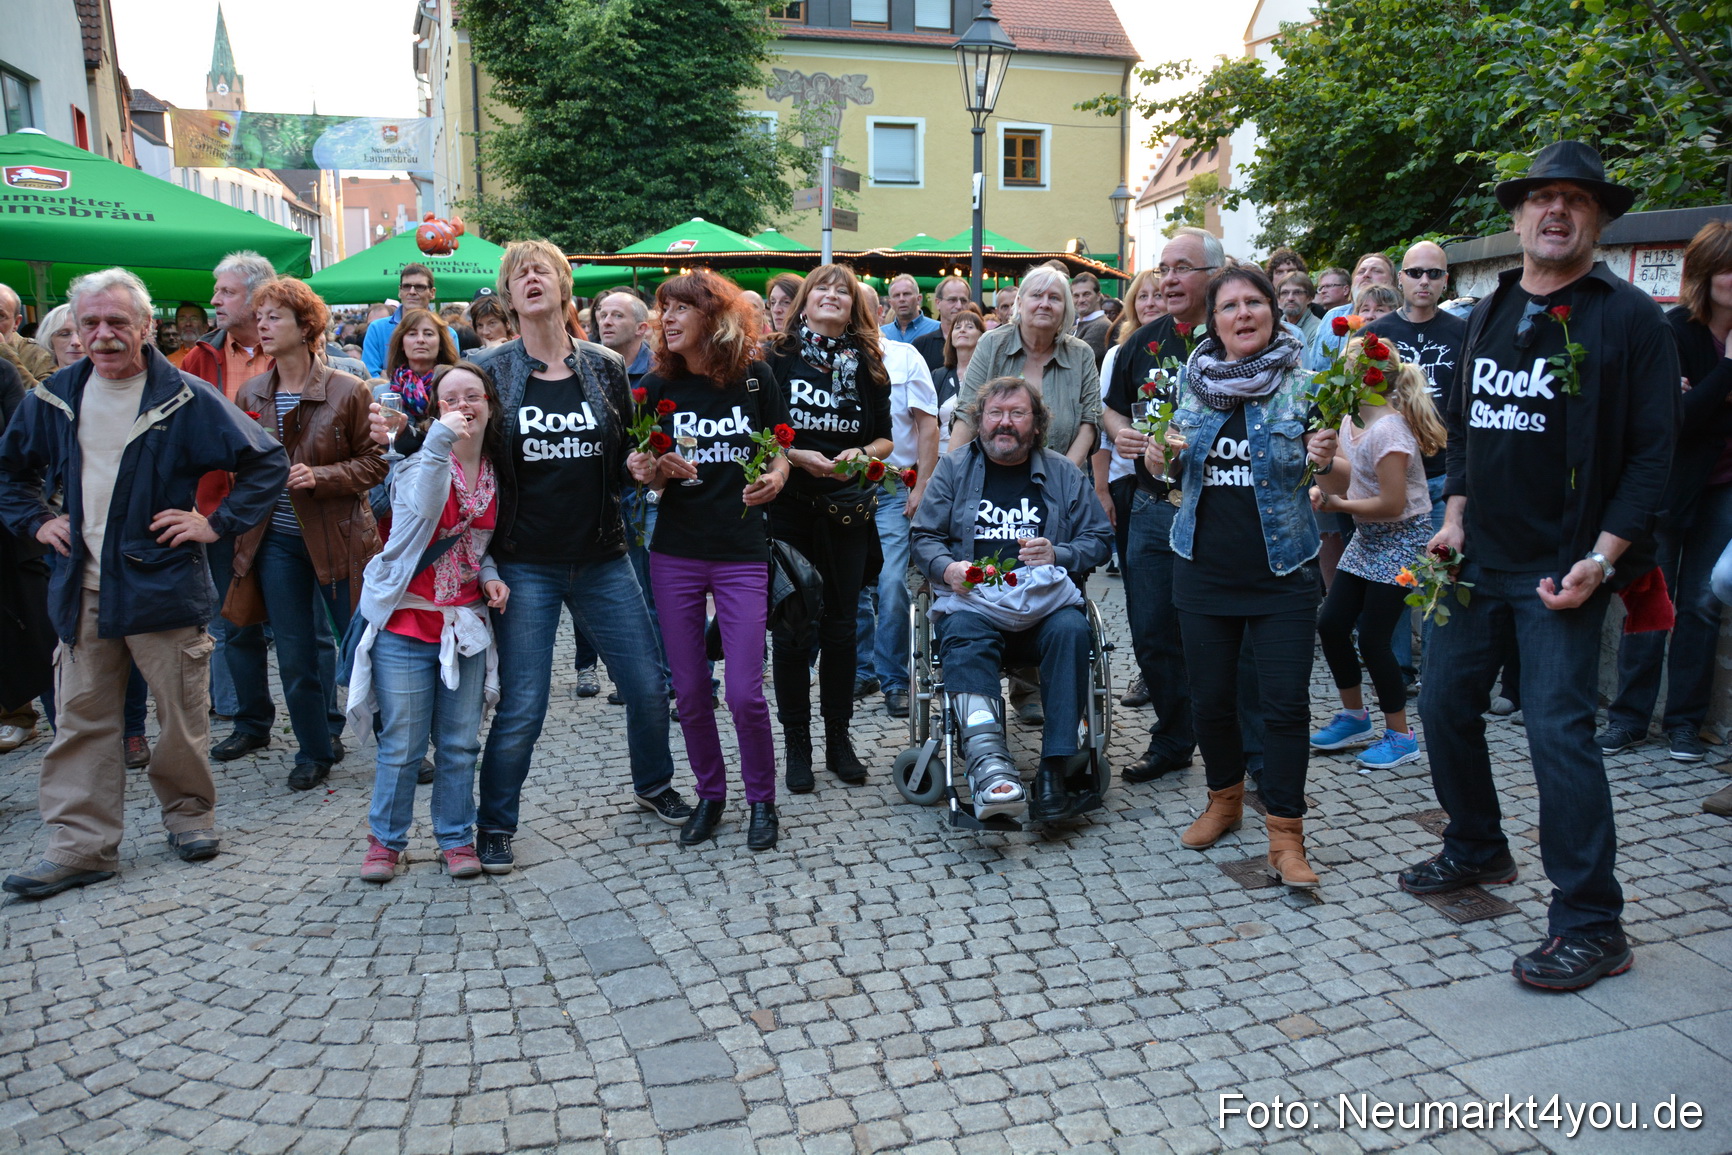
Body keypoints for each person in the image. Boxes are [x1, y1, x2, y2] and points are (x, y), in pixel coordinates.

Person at [1408, 141, 1677, 991]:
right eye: (1541, 198)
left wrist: (1603, 558)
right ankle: (1477, 844)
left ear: (1597, 219)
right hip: (1475, 560)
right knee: (1443, 703)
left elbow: (1653, 458)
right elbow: (1464, 429)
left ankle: (1593, 921)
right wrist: (1453, 518)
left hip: (1564, 570)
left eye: (1576, 199)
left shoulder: (1629, 319)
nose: (1556, 211)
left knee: (1558, 733)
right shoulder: (1490, 309)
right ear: (1518, 216)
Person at [0, 267, 288, 898]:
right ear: (74, 330)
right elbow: (10, 472)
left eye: (117, 322)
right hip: (83, 588)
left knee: (180, 718)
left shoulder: (183, 396)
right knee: (80, 721)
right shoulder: (54, 397)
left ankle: (189, 818)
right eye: (90, 323)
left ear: (144, 327)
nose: (103, 335)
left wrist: (214, 523)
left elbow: (266, 460)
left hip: (161, 584)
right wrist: (37, 521)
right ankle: (81, 846)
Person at [468, 239, 692, 875]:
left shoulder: (603, 365)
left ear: (564, 286)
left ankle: (653, 783)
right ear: (509, 296)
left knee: (647, 685)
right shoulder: (489, 368)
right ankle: (495, 824)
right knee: (524, 705)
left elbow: (622, 456)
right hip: (524, 561)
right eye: (519, 274)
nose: (531, 279)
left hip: (601, 554)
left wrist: (641, 468)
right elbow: (467, 454)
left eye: (542, 270)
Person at [1142, 264, 1324, 887]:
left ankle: (1286, 835)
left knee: (1284, 707)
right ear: (1214, 321)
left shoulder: (1307, 386)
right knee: (1211, 699)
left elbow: (1341, 475)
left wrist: (1331, 459)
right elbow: (1167, 473)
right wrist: (1157, 458)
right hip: (1202, 568)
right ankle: (1223, 801)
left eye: (1254, 302)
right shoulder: (1189, 384)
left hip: (1283, 570)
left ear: (1274, 311)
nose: (1243, 314)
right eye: (1229, 306)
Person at [627, 269, 791, 849]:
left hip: (741, 551)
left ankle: (762, 800)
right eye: (663, 309)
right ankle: (711, 795)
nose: (666, 319)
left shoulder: (755, 379)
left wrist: (776, 477)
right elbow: (644, 471)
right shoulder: (653, 385)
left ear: (713, 317)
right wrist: (650, 470)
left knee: (744, 690)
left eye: (680, 309)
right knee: (692, 691)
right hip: (675, 552)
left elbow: (781, 451)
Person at [911, 376, 1113, 821]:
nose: (1005, 423)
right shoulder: (953, 467)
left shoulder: (1063, 472)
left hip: (1044, 608)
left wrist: (1059, 553)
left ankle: (1055, 769)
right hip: (974, 605)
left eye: (1017, 414)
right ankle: (989, 766)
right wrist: (947, 569)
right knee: (962, 633)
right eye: (996, 414)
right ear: (979, 421)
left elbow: (1100, 539)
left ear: (1036, 424)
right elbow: (923, 536)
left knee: (1072, 629)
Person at [351, 363, 509, 882]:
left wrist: (490, 576)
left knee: (460, 744)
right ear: (437, 410)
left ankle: (456, 838)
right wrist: (438, 441)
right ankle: (385, 842)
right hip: (406, 622)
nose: (463, 405)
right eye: (450, 399)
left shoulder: (496, 471)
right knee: (403, 745)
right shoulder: (418, 462)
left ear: (489, 404)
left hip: (463, 625)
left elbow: (478, 541)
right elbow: (421, 513)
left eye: (473, 396)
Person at [230, 277, 385, 791]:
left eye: (274, 317)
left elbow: (375, 464)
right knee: (296, 656)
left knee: (365, 648)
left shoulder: (348, 389)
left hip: (341, 536)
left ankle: (397, 744)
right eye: (260, 317)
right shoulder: (251, 392)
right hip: (275, 541)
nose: (262, 326)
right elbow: (243, 468)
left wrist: (321, 476)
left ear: (306, 327)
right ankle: (314, 750)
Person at [1600, 219, 1732, 765]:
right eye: (1729, 267)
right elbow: (1676, 419)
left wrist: (1703, 397)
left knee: (1703, 604)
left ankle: (1684, 723)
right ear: (1704, 273)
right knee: (1650, 600)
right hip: (1668, 488)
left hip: (1723, 489)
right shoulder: (1674, 330)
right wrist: (1728, 372)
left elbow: (1694, 408)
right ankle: (1629, 718)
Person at [763, 263, 894, 792]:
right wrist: (799, 456)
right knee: (793, 628)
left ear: (854, 305)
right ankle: (797, 744)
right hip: (790, 506)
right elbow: (758, 430)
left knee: (842, 628)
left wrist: (858, 455)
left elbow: (884, 438)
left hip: (846, 511)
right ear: (806, 300)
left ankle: (839, 739)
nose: (834, 294)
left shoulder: (869, 364)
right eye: (823, 287)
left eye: (844, 290)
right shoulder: (776, 357)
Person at [1103, 228, 1223, 782]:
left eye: (1182, 268)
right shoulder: (1143, 340)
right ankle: (1174, 740)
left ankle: (1238, 747)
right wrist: (1123, 434)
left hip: (1218, 508)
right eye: (1163, 268)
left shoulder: (1233, 336)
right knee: (1151, 630)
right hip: (1151, 506)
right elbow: (1112, 408)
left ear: (1213, 276)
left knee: (1217, 633)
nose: (1169, 280)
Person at [1308, 338, 1447, 769]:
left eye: (1342, 370)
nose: (1333, 378)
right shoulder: (1351, 422)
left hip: (1403, 539)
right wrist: (1323, 469)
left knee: (1373, 638)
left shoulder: (1389, 430)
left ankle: (1401, 737)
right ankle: (1355, 718)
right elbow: (1343, 480)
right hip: (1370, 537)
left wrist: (1338, 505)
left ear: (1362, 379)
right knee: (1331, 624)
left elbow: (1392, 503)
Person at [180, 251, 283, 762]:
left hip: (286, 509)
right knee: (235, 623)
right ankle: (250, 722)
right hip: (220, 511)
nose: (214, 300)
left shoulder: (292, 345)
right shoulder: (199, 358)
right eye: (216, 290)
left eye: (226, 291)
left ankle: (323, 727)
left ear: (257, 297)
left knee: (301, 627)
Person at [1365, 239, 1469, 686]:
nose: (1424, 281)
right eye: (1415, 273)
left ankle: (1441, 673)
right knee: (1392, 580)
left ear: (1446, 280)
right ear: (1400, 278)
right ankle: (1396, 673)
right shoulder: (1377, 334)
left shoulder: (1464, 333)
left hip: (1445, 473)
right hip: (1393, 477)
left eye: (1434, 273)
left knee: (1441, 576)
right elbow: (1359, 402)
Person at [852, 283, 939, 718]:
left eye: (862, 308)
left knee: (889, 583)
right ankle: (860, 669)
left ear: (880, 312)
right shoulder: (825, 362)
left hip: (890, 487)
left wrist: (922, 485)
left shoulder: (905, 357)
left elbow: (928, 425)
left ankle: (894, 679)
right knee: (849, 584)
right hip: (842, 487)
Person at [1094, 268, 1165, 707]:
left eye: (1159, 295)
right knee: (1142, 588)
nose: (1151, 303)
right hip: (1128, 482)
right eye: (1144, 296)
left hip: (1173, 483)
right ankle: (1149, 672)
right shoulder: (1119, 354)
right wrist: (1101, 489)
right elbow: (1104, 423)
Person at [955, 265, 1101, 469]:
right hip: (994, 478)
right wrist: (949, 476)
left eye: (1054, 298)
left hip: (1065, 478)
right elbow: (967, 414)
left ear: (1066, 309)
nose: (1045, 304)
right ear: (1020, 303)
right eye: (1037, 295)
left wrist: (1063, 477)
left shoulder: (1081, 354)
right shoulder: (992, 344)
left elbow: (1090, 422)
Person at [1305, 252, 1398, 370]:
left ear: (1392, 282)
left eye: (1376, 271)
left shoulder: (1400, 318)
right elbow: (1312, 366)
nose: (1366, 275)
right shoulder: (1333, 316)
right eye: (1361, 271)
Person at [363, 263, 436, 376]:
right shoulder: (377, 329)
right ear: (399, 291)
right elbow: (370, 376)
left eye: (419, 287)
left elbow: (448, 376)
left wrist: (390, 378)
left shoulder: (446, 333)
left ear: (432, 293)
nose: (412, 292)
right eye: (406, 286)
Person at [933, 304, 986, 456]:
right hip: (940, 457)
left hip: (976, 457)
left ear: (982, 337)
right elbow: (929, 423)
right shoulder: (938, 376)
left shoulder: (989, 376)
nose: (962, 330)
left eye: (970, 327)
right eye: (957, 327)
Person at [911, 276, 974, 370]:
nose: (959, 306)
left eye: (964, 300)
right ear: (938, 303)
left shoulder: (979, 344)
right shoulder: (921, 345)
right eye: (952, 300)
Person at [0, 282, 55, 384]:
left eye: (0, 316)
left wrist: (6, 355)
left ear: (16, 322)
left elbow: (46, 393)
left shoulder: (38, 353)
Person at [881, 274, 939, 344]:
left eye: (906, 294)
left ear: (919, 299)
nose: (901, 299)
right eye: (896, 295)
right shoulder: (882, 334)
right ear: (891, 303)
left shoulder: (937, 329)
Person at [1070, 272, 1112, 367]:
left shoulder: (1102, 326)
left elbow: (1074, 362)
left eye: (1086, 294)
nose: (1081, 300)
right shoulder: (1075, 327)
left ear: (1098, 296)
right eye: (1076, 296)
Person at [1277, 273, 1320, 344]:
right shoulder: (1273, 328)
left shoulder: (1318, 330)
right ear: (1278, 299)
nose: (1290, 298)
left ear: (1309, 298)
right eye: (1285, 292)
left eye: (1297, 292)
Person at [766, 273, 803, 341]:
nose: (776, 310)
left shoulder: (816, 344)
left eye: (786, 302)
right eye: (773, 302)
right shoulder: (769, 346)